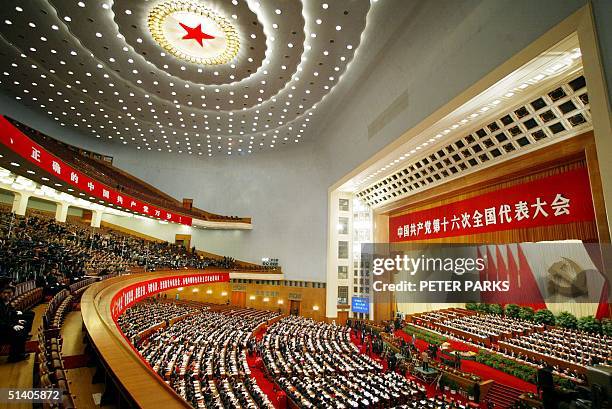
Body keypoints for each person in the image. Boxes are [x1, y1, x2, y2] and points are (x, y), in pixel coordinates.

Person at [0, 282, 33, 362]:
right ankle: (14, 356)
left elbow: (9, 316)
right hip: (1, 329)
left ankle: (20, 352)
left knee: (23, 327)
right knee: (18, 332)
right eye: (4, 293)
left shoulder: (6, 303)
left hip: (5, 326)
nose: (6, 295)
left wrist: (17, 321)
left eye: (9, 293)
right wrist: (12, 326)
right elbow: (1, 321)